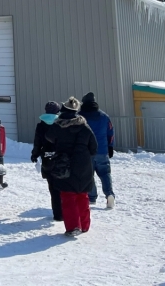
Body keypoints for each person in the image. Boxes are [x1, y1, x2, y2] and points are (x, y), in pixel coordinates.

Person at [45, 96, 98, 237]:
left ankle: (73, 227)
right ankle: (85, 225)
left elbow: (49, 137)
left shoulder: (58, 126)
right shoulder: (84, 126)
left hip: (64, 164)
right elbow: (94, 147)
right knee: (82, 195)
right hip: (83, 165)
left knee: (68, 197)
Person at [80, 92, 116, 208]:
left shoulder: (80, 117)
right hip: (102, 150)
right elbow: (110, 132)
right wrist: (110, 147)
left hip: (86, 151)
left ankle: (92, 197)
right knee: (105, 174)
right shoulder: (104, 116)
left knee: (89, 175)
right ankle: (109, 195)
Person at [31, 101, 64, 222]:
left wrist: (34, 154)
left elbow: (37, 142)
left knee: (53, 187)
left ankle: (57, 214)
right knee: (63, 185)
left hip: (46, 158)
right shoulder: (61, 123)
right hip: (60, 157)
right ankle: (65, 212)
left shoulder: (41, 125)